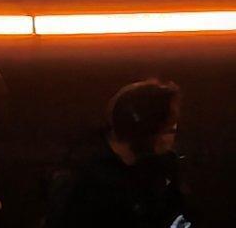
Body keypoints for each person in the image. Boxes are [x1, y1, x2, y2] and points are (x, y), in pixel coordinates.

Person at [44, 79, 192, 227]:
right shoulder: (84, 182)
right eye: (168, 128)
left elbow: (179, 215)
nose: (172, 134)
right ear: (145, 130)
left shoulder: (162, 166)